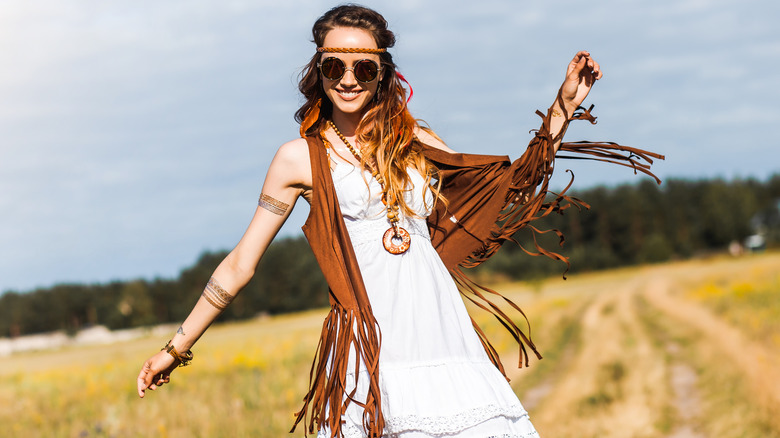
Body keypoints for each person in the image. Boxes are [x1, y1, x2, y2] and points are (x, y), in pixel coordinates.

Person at [136, 4, 662, 438]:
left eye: (363, 68)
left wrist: (561, 108)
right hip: (372, 349)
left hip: (441, 336)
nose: (347, 80)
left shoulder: (415, 141)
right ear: (317, 72)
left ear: (382, 72)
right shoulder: (297, 160)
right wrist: (175, 349)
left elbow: (504, 189)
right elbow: (239, 265)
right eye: (333, 67)